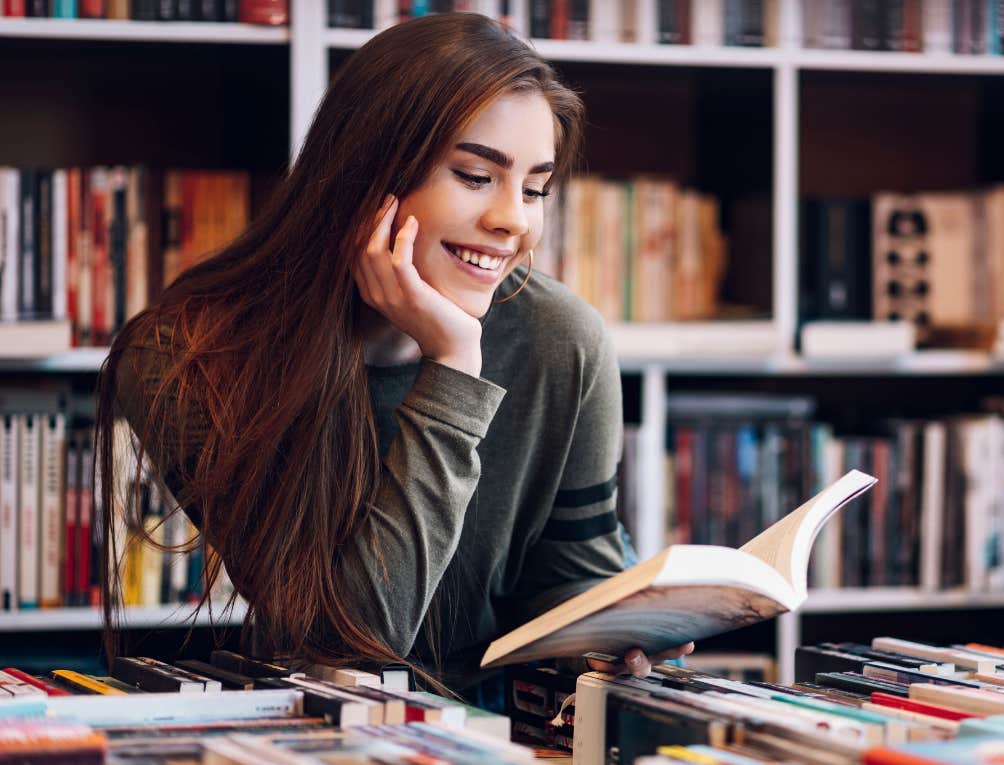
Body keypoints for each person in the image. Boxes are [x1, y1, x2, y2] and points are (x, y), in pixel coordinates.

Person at [95, 11, 692, 690]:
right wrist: (454, 367)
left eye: (534, 189)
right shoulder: (185, 357)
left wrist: (630, 627)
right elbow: (349, 647)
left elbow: (570, 574)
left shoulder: (563, 341)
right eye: (474, 175)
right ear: (365, 174)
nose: (513, 222)